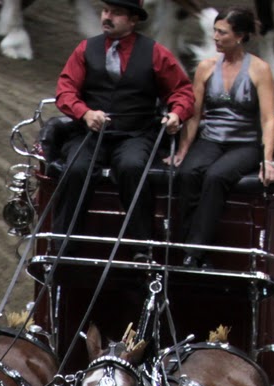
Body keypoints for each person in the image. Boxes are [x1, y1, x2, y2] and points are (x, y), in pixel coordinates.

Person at [53, 0, 196, 259]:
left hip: (135, 133)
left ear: (133, 20)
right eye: (105, 11)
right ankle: (64, 242)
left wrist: (176, 113)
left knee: (132, 167)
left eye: (116, 13)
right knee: (76, 168)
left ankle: (142, 246)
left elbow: (182, 91)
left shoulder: (155, 53)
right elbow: (65, 90)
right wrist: (84, 113)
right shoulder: (86, 49)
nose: (107, 17)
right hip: (91, 132)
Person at [167, 6, 274, 267]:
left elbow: (268, 119)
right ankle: (182, 244)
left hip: (244, 144)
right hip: (211, 139)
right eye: (215, 31)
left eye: (222, 32)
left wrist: (267, 159)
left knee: (216, 177)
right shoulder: (206, 67)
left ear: (239, 36)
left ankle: (195, 252)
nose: (215, 37)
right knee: (187, 173)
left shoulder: (259, 70)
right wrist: (184, 149)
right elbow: (194, 114)